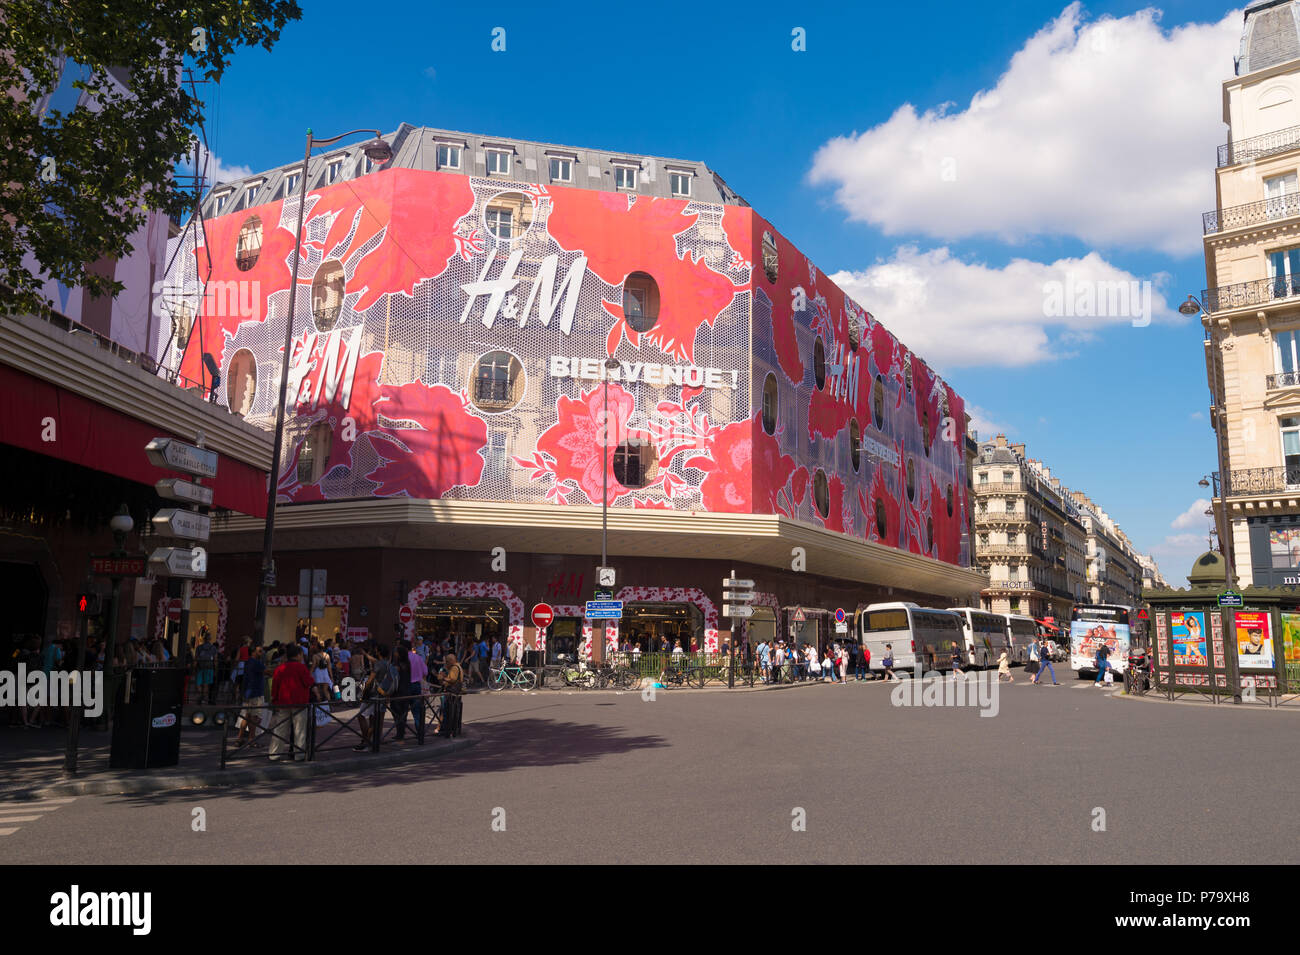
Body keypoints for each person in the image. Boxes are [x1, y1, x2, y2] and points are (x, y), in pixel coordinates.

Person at [268, 645, 314, 761]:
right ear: (298, 655)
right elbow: (309, 682)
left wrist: (274, 699)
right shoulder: (301, 668)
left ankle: (274, 754)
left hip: (283, 702)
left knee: (279, 729)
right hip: (299, 703)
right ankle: (299, 755)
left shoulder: (280, 668)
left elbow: (275, 686)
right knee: (299, 730)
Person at [237, 645, 266, 746]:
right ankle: (251, 739)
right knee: (255, 717)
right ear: (253, 652)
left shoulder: (248, 662)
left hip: (249, 691)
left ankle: (240, 738)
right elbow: (267, 671)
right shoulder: (256, 662)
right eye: (259, 651)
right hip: (256, 692)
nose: (261, 653)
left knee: (247, 716)